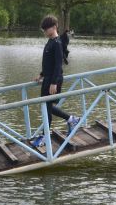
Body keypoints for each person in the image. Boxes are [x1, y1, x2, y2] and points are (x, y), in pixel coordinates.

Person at [31, 15, 80, 148]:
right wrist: (41, 74)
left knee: (46, 107)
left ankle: (45, 137)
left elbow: (58, 65)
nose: (44, 32)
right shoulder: (50, 41)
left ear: (54, 27)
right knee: (46, 106)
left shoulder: (57, 43)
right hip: (48, 78)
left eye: (46, 29)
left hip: (54, 80)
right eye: (43, 29)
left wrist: (54, 83)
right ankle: (71, 119)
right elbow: (49, 63)